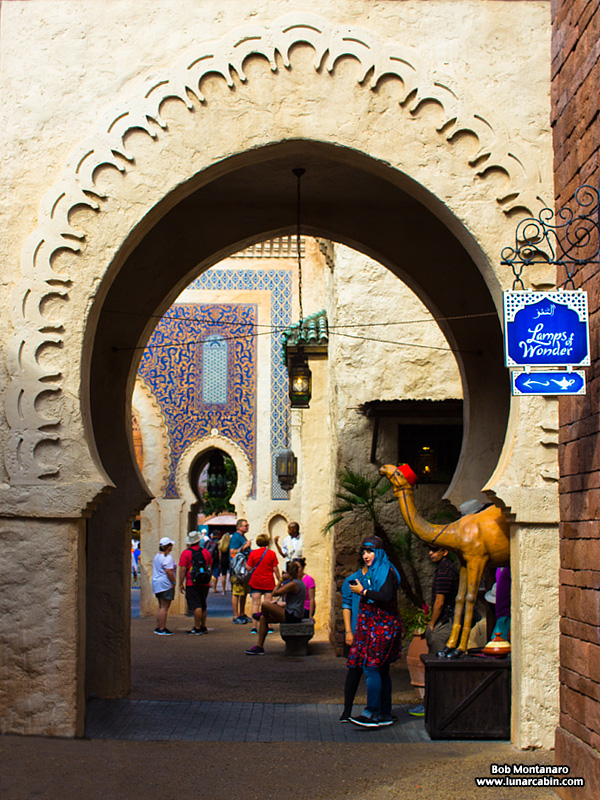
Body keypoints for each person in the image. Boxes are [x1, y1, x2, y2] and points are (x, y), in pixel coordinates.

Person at [347, 536, 402, 728]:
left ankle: (371, 713)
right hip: (375, 625)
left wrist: (363, 592)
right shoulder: (375, 571)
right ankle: (384, 714)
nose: (366, 556)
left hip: (383, 627)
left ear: (378, 553)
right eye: (363, 552)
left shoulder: (386, 570)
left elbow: (386, 596)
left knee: (371, 667)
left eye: (369, 551)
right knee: (381, 668)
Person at [409, 544, 460, 717]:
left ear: (445, 552)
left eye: (435, 551)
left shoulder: (445, 571)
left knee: (436, 666)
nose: (430, 554)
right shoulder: (446, 568)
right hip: (445, 621)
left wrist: (432, 624)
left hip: (443, 623)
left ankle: (433, 707)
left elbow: (439, 601)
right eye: (429, 550)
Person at [245, 560, 306, 655]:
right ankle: (259, 646)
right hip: (293, 613)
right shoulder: (299, 582)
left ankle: (263, 612)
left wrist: (281, 580)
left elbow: (274, 593)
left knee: (265, 604)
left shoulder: (293, 584)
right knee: (263, 619)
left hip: (292, 615)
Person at [339, 552, 368, 721]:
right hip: (357, 631)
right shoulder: (352, 579)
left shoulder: (380, 578)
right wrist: (348, 631)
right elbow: (346, 605)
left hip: (373, 632)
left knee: (378, 673)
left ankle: (379, 709)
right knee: (354, 672)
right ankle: (347, 709)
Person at [178, 531, 213, 635]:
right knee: (203, 604)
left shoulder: (186, 553)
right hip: (204, 582)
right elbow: (209, 566)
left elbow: (183, 569)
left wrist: (181, 583)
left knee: (196, 605)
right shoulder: (206, 552)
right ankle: (203, 625)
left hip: (192, 582)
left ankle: (197, 627)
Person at [247, 534, 281, 633]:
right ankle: (268, 626)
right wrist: (279, 580)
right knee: (268, 604)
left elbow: (248, 568)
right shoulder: (272, 554)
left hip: (256, 581)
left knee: (255, 604)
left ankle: (254, 627)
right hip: (268, 581)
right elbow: (275, 570)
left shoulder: (253, 553)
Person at [151, 536, 176, 635]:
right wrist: (173, 582)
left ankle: (158, 626)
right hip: (165, 584)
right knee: (165, 607)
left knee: (161, 606)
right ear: (168, 547)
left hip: (157, 583)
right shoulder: (167, 557)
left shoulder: (157, 556)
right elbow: (169, 571)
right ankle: (162, 627)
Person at [230, 519, 252, 624]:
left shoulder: (242, 537)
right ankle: (235, 615)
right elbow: (232, 552)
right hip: (237, 570)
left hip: (244, 570)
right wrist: (244, 547)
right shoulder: (235, 537)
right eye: (245, 525)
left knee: (243, 592)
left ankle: (242, 613)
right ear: (239, 527)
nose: (247, 527)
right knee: (236, 592)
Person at [217, 530, 230, 594]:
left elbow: (219, 555)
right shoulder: (229, 544)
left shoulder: (220, 545)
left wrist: (220, 562)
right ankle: (232, 589)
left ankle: (224, 590)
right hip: (229, 560)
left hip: (223, 560)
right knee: (231, 575)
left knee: (223, 575)